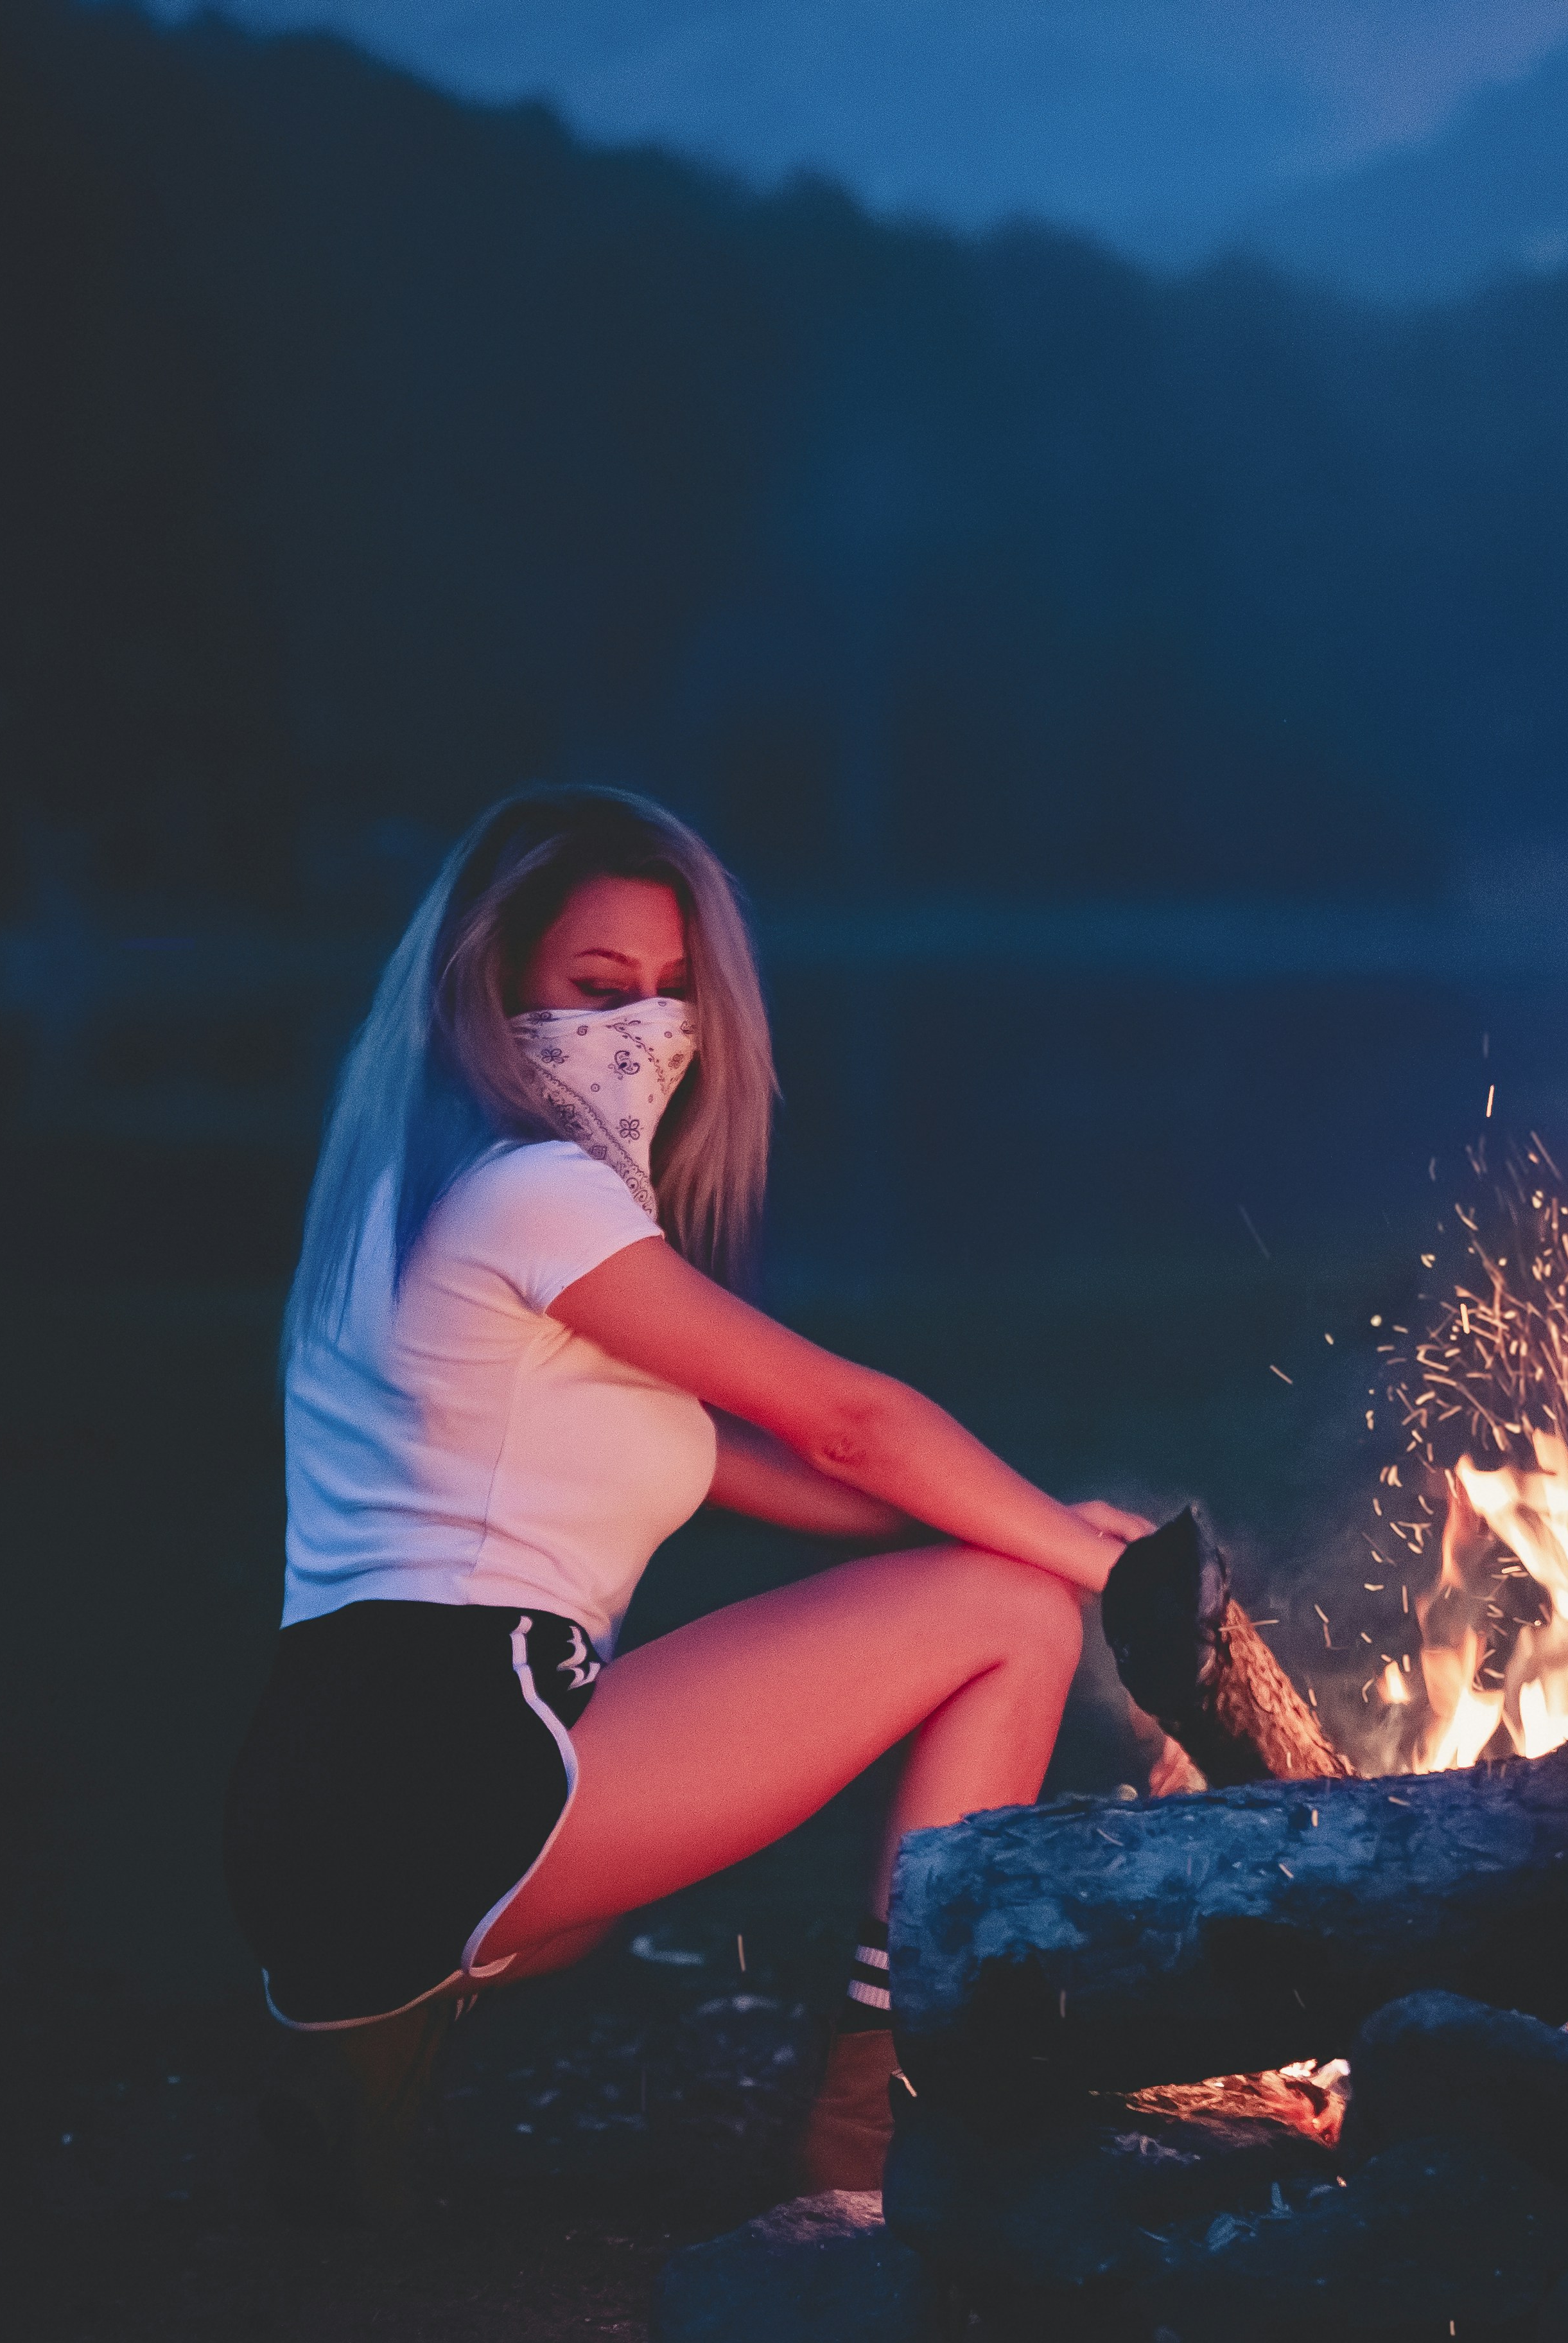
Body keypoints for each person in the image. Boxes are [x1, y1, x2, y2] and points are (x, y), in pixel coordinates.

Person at [222, 785, 1149, 2218]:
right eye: (598, 989)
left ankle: (366, 2058)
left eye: (671, 992)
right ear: (490, 981)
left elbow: (752, 1470)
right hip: (456, 1774)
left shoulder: (412, 1193)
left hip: (329, 1808)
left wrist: (1029, 1514)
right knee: (1020, 1618)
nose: (643, 1031)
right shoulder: (533, 1193)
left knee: (998, 1575)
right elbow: (847, 1427)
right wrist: (1086, 1571)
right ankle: (879, 2136)